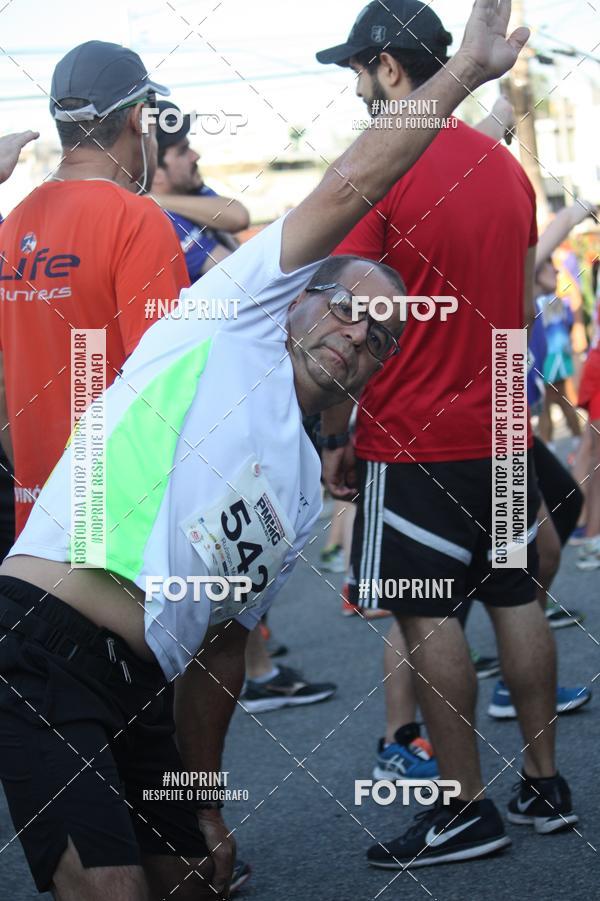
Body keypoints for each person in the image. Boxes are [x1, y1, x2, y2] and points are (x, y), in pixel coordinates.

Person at [0, 3, 528, 896]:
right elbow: (349, 184)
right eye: (346, 306)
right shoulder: (228, 319)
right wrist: (463, 79)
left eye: (383, 339)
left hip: (143, 685)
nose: (358, 335)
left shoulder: (300, 491)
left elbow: (222, 650)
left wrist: (202, 799)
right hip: (48, 638)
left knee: (199, 876)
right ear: (294, 296)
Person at [317, 0, 576, 870]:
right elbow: (518, 307)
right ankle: (544, 783)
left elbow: (353, 314)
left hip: (414, 436)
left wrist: (334, 430)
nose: (356, 90)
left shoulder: (379, 169)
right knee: (516, 596)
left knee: (427, 614)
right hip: (500, 427)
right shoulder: (504, 172)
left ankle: (465, 809)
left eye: (358, 70)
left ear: (391, 66)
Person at [0, 42, 189, 538]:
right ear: (137, 119)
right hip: (115, 517)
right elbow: (164, 383)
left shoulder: (12, 224)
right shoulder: (137, 220)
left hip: (36, 518)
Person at [150, 100, 250, 282]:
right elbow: (241, 277)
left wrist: (156, 199)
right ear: (156, 173)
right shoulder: (160, 221)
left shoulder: (189, 191)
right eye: (183, 151)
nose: (195, 155)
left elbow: (238, 216)